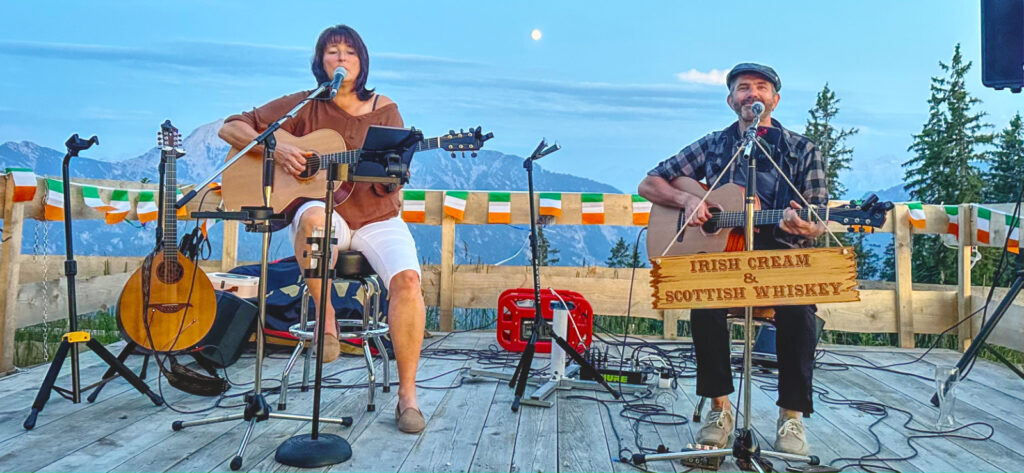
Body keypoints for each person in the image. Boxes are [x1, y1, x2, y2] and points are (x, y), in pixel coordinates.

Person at [218, 24, 426, 434]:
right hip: (322, 209)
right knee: (313, 218)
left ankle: (408, 397)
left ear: (362, 63)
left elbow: (395, 178)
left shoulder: (386, 110)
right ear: (321, 63)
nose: (342, 59)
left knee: (407, 282)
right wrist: (281, 150)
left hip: (376, 216)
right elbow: (232, 128)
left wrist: (392, 176)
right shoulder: (304, 106)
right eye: (333, 53)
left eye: (350, 53)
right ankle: (326, 322)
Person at [638, 63, 827, 455]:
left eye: (761, 87)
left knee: (799, 310)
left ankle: (791, 416)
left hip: (780, 260)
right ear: (731, 101)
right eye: (743, 88)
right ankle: (719, 408)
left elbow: (819, 216)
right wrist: (689, 199)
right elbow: (649, 183)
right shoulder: (714, 145)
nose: (752, 94)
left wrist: (810, 227)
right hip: (722, 260)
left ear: (775, 99)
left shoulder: (803, 150)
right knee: (704, 304)